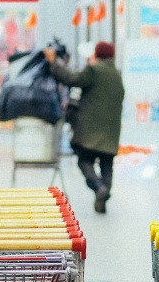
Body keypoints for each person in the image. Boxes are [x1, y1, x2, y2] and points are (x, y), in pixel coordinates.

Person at [46, 41, 124, 213]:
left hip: (90, 128)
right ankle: (104, 193)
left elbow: (72, 79)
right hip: (111, 130)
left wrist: (54, 63)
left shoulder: (94, 70)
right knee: (106, 164)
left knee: (84, 160)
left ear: (97, 54)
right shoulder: (117, 74)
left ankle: (98, 188)